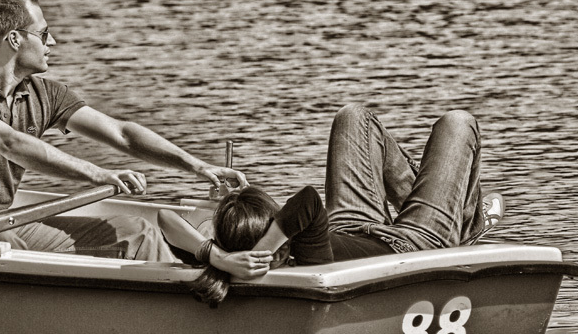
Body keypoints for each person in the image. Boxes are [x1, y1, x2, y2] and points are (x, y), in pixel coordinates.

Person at [0, 0, 246, 260]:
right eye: (44, 34)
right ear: (15, 39)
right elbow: (9, 143)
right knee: (6, 244)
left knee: (138, 231)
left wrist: (197, 166)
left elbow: (122, 134)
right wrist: (97, 174)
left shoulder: (46, 94)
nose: (53, 43)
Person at [158, 104, 505, 306]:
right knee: (457, 124)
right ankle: (461, 222)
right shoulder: (308, 258)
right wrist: (262, 255)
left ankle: (436, 201)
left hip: (350, 224)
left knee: (353, 116)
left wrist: (218, 256)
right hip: (413, 245)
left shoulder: (225, 262)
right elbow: (307, 200)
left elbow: (165, 217)